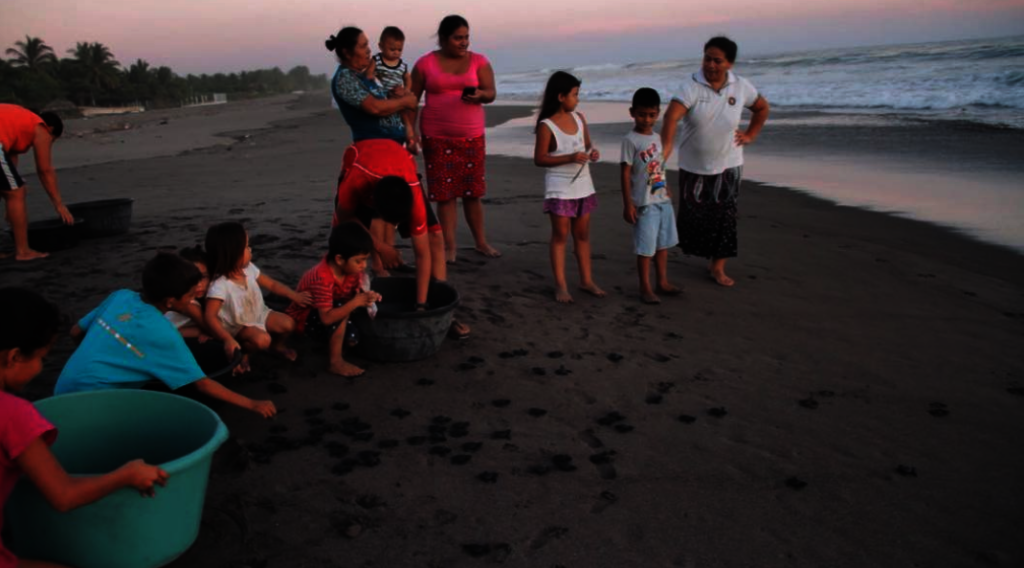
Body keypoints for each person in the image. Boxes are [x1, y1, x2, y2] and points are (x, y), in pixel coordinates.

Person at [1, 287, 169, 568]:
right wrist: (126, 475)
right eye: (41, 357)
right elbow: (64, 496)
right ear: (15, 356)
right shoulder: (13, 414)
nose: (42, 367)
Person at [53, 253, 276, 418]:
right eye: (189, 296)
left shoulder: (120, 296)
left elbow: (75, 332)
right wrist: (252, 404)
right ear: (170, 302)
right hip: (92, 407)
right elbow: (203, 385)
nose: (191, 300)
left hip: (62, 389)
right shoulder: (161, 331)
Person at [332, 139, 471, 339]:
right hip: (361, 161)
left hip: (401, 168)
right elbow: (344, 217)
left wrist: (421, 308)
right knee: (344, 241)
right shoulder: (357, 180)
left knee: (434, 236)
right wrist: (379, 246)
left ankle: (443, 313)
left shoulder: (412, 192)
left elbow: (422, 255)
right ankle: (338, 306)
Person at [661, 36, 770, 287]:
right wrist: (664, 152)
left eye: (717, 60)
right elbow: (671, 117)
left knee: (725, 216)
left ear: (729, 63)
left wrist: (751, 134)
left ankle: (717, 267)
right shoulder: (691, 85)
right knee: (695, 216)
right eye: (707, 58)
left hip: (729, 163)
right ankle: (698, 251)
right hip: (694, 166)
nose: (710, 64)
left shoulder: (741, 86)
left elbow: (762, 108)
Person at [411, 14, 500, 262]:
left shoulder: (479, 61)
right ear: (443, 39)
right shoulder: (424, 64)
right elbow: (411, 100)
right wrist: (411, 130)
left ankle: (480, 242)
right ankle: (450, 247)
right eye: (458, 38)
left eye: (466, 37)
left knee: (473, 192)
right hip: (436, 137)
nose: (464, 42)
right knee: (445, 194)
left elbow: (491, 92)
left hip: (471, 137)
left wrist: (481, 94)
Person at [533, 71, 604, 304]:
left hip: (584, 184)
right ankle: (561, 285)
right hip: (560, 187)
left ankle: (587, 280)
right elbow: (540, 159)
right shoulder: (547, 125)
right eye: (575, 94)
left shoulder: (579, 118)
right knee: (561, 235)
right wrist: (570, 157)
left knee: (582, 235)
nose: (578, 99)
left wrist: (591, 153)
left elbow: (587, 145)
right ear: (561, 96)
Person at [204, 222, 311, 371]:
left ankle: (277, 346)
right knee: (262, 340)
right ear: (233, 253)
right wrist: (227, 338)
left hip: (259, 314)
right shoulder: (220, 285)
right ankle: (244, 353)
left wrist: (294, 295)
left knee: (288, 324)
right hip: (237, 327)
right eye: (246, 247)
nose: (250, 249)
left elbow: (272, 285)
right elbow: (210, 316)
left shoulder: (248, 269)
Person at [287, 223, 382, 377]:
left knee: (352, 340)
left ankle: (334, 343)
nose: (364, 265)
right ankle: (335, 362)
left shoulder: (351, 271)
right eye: (359, 261)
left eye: (366, 260)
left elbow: (356, 293)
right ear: (339, 259)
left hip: (330, 309)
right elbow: (326, 318)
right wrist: (355, 302)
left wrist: (369, 297)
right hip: (305, 319)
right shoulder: (322, 277)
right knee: (343, 306)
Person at [621, 88, 681, 304]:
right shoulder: (630, 140)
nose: (646, 119)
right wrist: (628, 203)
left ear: (658, 114)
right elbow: (625, 171)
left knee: (663, 244)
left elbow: (659, 164)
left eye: (651, 115)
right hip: (644, 203)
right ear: (632, 112)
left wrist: (666, 186)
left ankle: (662, 281)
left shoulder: (656, 137)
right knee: (646, 248)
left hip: (662, 199)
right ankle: (645, 286)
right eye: (641, 114)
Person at [0, 104, 74, 261]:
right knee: (17, 193)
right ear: (51, 129)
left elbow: (9, 168)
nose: (48, 144)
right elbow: (44, 170)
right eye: (52, 141)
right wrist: (59, 204)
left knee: (13, 192)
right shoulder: (40, 126)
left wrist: (10, 203)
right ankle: (23, 251)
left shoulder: (19, 123)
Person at [326, 26, 418, 149]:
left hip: (392, 147)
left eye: (367, 45)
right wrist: (405, 101)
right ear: (347, 53)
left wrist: (395, 95)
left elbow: (386, 105)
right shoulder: (345, 78)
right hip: (374, 150)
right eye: (363, 46)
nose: (369, 51)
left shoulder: (364, 77)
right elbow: (374, 108)